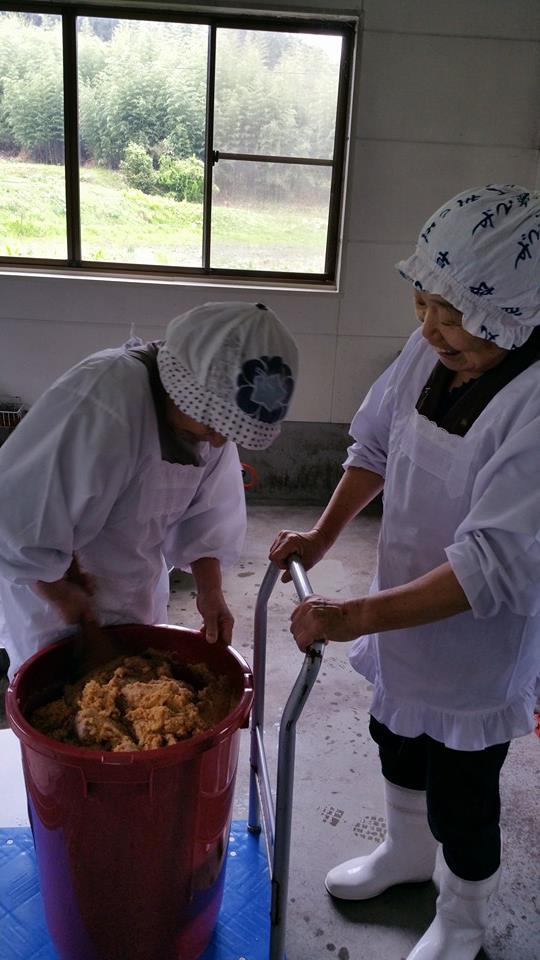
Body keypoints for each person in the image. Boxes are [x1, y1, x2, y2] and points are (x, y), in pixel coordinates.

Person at [270, 184, 540, 960]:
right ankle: (406, 853)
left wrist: (353, 616)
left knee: (463, 792)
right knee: (393, 736)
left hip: (478, 645)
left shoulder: (532, 404)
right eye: (423, 304)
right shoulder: (434, 350)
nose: (429, 328)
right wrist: (322, 537)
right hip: (403, 614)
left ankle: (463, 918)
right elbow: (376, 446)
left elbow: (487, 567)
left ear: (514, 315)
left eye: (452, 316)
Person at [0, 300, 297, 677]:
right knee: (58, 687)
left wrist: (210, 592)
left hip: (134, 589)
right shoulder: (102, 401)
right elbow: (19, 521)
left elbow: (207, 517)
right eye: (213, 425)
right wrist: (64, 597)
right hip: (50, 598)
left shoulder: (209, 423)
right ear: (181, 384)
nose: (219, 440)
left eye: (229, 430)